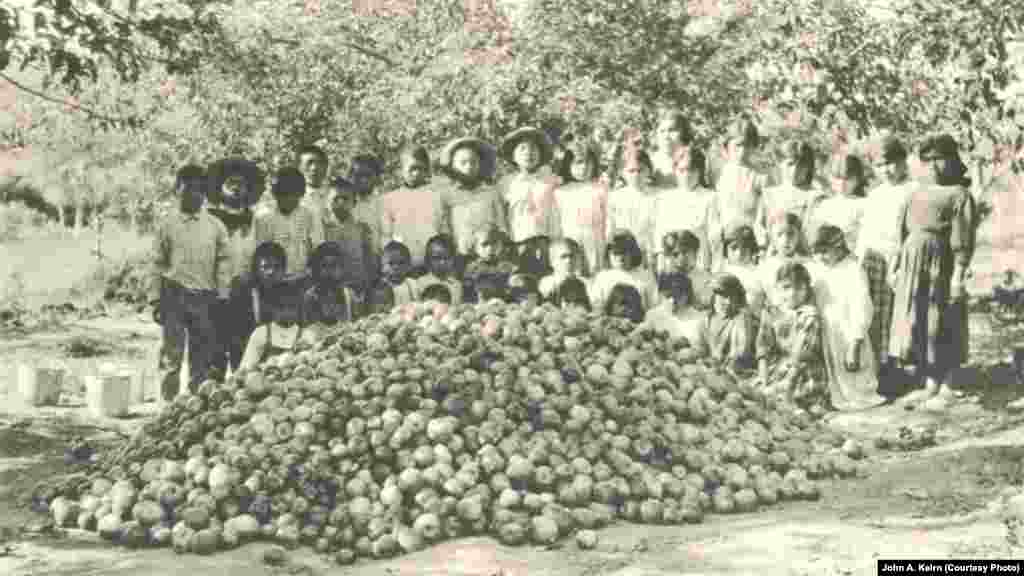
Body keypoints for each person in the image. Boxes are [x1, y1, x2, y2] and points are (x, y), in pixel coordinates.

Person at [890, 135, 977, 410]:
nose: (935, 166)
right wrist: (896, 264)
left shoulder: (959, 195)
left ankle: (949, 383)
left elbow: (962, 239)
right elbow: (902, 231)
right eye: (929, 161)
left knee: (943, 319)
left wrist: (958, 275)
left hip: (941, 265)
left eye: (941, 159)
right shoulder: (915, 193)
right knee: (919, 322)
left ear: (953, 161)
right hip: (913, 266)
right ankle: (929, 383)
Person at [150, 165, 231, 400]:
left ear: (205, 193)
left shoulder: (215, 226)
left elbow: (223, 264)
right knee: (171, 354)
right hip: (174, 294)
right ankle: (167, 403)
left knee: (201, 353)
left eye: (198, 190)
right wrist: (156, 299)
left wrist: (223, 296)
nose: (193, 195)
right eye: (187, 189)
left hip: (205, 297)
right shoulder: (167, 225)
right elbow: (156, 263)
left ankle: (194, 403)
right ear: (177, 190)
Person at [812, 225, 886, 412]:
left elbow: (862, 306)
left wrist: (856, 340)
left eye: (825, 252)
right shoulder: (821, 269)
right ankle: (837, 396)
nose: (821, 257)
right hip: (829, 330)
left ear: (838, 248)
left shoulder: (853, 270)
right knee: (833, 368)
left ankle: (861, 396)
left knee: (853, 366)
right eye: (817, 253)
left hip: (848, 329)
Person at [205, 158, 263, 380]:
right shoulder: (209, 220)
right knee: (214, 356)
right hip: (215, 296)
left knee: (243, 355)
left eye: (241, 183)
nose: (236, 188)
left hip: (244, 297)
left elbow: (260, 256)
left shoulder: (255, 222)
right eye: (231, 183)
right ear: (220, 188)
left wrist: (250, 280)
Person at [860, 135, 914, 371]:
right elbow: (866, 231)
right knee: (877, 316)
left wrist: (901, 260)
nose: (886, 170)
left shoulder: (913, 190)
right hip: (874, 259)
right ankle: (879, 367)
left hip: (898, 257)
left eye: (891, 163)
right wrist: (860, 257)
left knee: (898, 316)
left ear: (903, 161)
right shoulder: (875, 194)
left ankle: (897, 366)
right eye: (880, 165)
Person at [755, 261, 828, 414]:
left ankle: (796, 403)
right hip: (780, 366)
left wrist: (785, 391)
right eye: (787, 287)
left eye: (799, 288)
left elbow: (800, 355)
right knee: (758, 392)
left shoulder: (809, 315)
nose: (793, 293)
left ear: (807, 290)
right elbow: (763, 347)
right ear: (778, 289)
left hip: (802, 369)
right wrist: (764, 379)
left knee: (789, 402)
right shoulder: (772, 312)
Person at [434, 136, 507, 258]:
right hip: (459, 255)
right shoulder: (446, 195)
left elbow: (502, 225)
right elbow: (443, 227)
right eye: (463, 163)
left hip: (489, 255)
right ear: (453, 166)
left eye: (473, 162)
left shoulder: (491, 193)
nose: (469, 167)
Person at [714, 116, 774, 259]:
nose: (742, 150)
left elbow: (764, 212)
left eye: (747, 145)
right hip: (725, 237)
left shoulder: (761, 176)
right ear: (728, 146)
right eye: (738, 145)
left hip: (750, 240)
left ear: (754, 146)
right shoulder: (721, 173)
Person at [374, 145, 443, 270]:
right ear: (401, 170)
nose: (416, 173)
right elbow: (386, 235)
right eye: (412, 169)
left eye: (421, 169)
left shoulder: (436, 197)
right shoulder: (389, 199)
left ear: (427, 170)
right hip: (400, 266)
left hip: (431, 266)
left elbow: (441, 229)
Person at [652, 146, 717, 274]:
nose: (687, 175)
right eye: (682, 170)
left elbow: (714, 236)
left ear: (700, 171)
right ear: (675, 171)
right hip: (671, 263)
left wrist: (714, 268)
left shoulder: (710, 197)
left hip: (699, 263)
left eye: (691, 170)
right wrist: (661, 265)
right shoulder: (666, 198)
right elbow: (660, 232)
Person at [225, 241, 287, 372]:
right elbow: (235, 337)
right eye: (266, 267)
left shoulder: (287, 292)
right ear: (256, 269)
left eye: (276, 267)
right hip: (246, 354)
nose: (271, 272)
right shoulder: (243, 290)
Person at [253, 167, 324, 280]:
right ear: (275, 194)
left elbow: (318, 248)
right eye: (282, 194)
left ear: (300, 194)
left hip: (303, 278)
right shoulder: (263, 218)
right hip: (273, 281)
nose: (287, 199)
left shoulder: (310, 215)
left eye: (293, 194)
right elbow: (259, 252)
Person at [553, 139, 607, 275]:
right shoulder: (560, 192)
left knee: (595, 272)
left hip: (595, 239)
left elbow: (609, 218)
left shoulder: (601, 189)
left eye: (588, 163)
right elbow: (555, 221)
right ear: (568, 165)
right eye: (578, 163)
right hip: (570, 238)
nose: (583, 167)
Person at [500, 126, 562, 243]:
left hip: (548, 242)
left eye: (533, 148)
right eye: (522, 148)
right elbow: (500, 217)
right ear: (513, 156)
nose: (528, 153)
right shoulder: (506, 183)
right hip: (517, 243)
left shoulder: (553, 181)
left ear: (540, 154)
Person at [237, 276, 314, 371]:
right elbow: (245, 369)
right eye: (282, 306)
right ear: (273, 308)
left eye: (291, 306)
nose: (286, 312)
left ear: (298, 308)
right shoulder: (261, 333)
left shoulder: (307, 335)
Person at [322, 178, 377, 297]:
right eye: (336, 199)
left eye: (345, 199)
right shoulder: (323, 229)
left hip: (358, 285)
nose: (341, 202)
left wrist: (369, 283)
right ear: (327, 202)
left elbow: (369, 258)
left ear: (354, 202)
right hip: (331, 288)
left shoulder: (362, 228)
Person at [605, 146, 657, 268]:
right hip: (622, 253)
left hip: (648, 253)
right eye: (631, 171)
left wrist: (653, 253)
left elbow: (658, 228)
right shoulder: (614, 197)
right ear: (622, 172)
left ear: (649, 171)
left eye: (640, 170)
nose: (636, 175)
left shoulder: (656, 197)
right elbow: (610, 227)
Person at [807, 152, 868, 251]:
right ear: (830, 177)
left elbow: (864, 241)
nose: (842, 183)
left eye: (848, 178)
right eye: (838, 178)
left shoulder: (864, 205)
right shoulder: (825, 204)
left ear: (858, 179)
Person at [589, 230, 659, 312]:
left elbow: (654, 307)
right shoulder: (602, 278)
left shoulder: (645, 276)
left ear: (633, 252)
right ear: (608, 255)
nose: (620, 257)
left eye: (624, 252)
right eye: (615, 253)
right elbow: (596, 306)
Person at [757, 212, 813, 309]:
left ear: (799, 236)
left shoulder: (809, 264)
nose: (785, 240)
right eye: (779, 234)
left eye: (790, 234)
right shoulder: (765, 267)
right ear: (772, 238)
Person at [638, 272, 707, 350]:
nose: (672, 300)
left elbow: (704, 350)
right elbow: (639, 340)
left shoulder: (700, 320)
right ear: (662, 294)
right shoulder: (652, 315)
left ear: (687, 295)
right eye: (669, 295)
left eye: (677, 295)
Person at [762, 141, 823, 230]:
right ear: (781, 164)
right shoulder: (770, 194)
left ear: (809, 168)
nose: (795, 170)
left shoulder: (814, 196)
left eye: (801, 165)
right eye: (790, 164)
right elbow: (761, 226)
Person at [704, 273, 757, 373]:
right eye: (723, 296)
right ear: (714, 296)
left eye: (732, 297)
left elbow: (741, 353)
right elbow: (699, 350)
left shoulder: (742, 319)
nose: (728, 302)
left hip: (737, 374)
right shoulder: (706, 320)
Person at [303, 241, 361, 331]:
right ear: (317, 269)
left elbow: (357, 326)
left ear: (342, 268)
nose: (329, 271)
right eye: (324, 266)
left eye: (334, 265)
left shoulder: (349, 296)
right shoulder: (310, 297)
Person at [660, 230, 715, 311]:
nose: (681, 258)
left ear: (695, 252)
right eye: (675, 254)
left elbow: (709, 306)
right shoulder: (666, 279)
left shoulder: (706, 279)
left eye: (685, 252)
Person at [720, 222, 766, 316]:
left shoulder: (759, 271)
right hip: (730, 319)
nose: (739, 253)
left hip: (754, 317)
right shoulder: (724, 272)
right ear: (726, 250)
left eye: (745, 247)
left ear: (752, 249)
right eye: (734, 248)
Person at [463, 227, 517, 304]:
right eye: (484, 244)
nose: (490, 249)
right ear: (475, 248)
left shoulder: (509, 268)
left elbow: (514, 294)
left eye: (494, 243)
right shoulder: (472, 269)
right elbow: (468, 295)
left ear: (501, 245)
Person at [412, 234, 463, 306]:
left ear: (453, 259)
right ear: (428, 260)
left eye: (446, 258)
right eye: (437, 258)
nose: (442, 262)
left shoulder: (457, 285)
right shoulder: (419, 284)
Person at [368, 240, 416, 315]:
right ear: (382, 266)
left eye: (401, 263)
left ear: (408, 266)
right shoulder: (380, 287)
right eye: (391, 263)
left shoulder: (412, 285)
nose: (396, 267)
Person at [650, 110, 694, 188]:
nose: (666, 136)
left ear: (684, 133)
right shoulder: (648, 163)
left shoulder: (695, 160)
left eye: (672, 130)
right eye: (662, 131)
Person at [297, 145, 331, 225]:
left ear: (326, 167)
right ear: (299, 167)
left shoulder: (335, 195)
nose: (314, 168)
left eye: (319, 163)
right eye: (309, 163)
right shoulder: (293, 198)